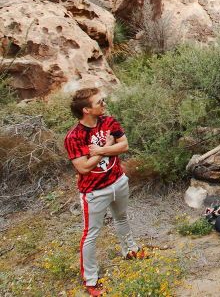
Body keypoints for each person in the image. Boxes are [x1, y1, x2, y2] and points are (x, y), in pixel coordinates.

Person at [64, 88, 145, 297]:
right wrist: (108, 148)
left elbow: (124, 145)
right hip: (94, 192)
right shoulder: (74, 137)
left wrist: (99, 150)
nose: (104, 104)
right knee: (91, 234)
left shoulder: (109, 122)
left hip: (118, 181)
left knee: (122, 217)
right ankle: (91, 280)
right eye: (99, 102)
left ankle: (130, 250)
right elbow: (83, 168)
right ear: (86, 109)